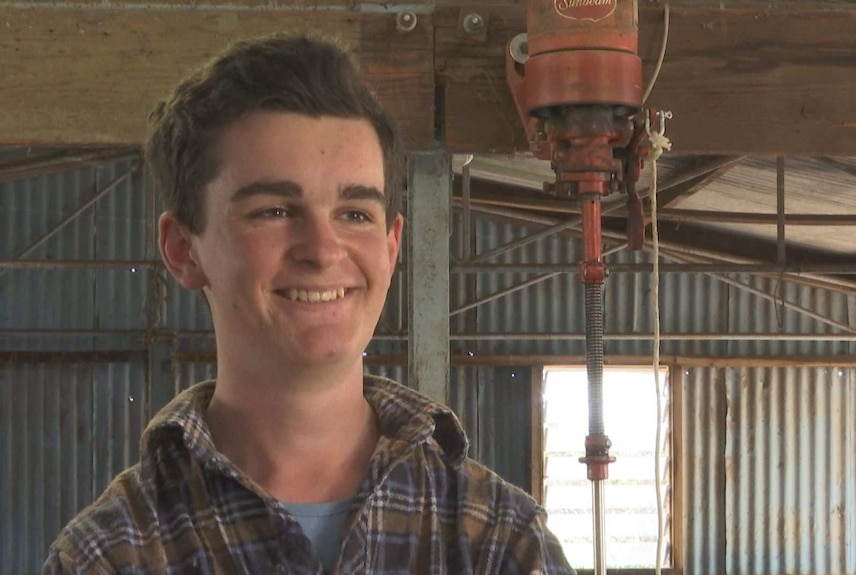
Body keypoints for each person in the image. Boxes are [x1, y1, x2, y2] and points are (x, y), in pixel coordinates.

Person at [43, 33, 576, 574]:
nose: (323, 251)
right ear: (184, 250)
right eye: (273, 211)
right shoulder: (113, 556)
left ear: (391, 247)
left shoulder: (497, 540)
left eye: (354, 214)